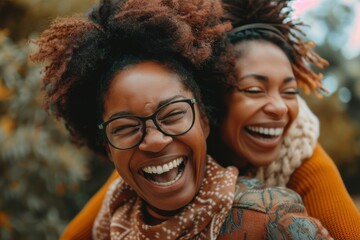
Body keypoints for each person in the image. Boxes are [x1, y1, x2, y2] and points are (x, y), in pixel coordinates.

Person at [31, 0, 334, 239]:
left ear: (205, 118)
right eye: (125, 127)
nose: (155, 140)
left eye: (173, 115)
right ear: (108, 147)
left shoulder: (270, 221)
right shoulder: (114, 216)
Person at [205, 0, 360, 239]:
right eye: (255, 90)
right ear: (211, 98)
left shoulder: (298, 151)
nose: (280, 108)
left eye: (289, 92)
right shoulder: (166, 147)